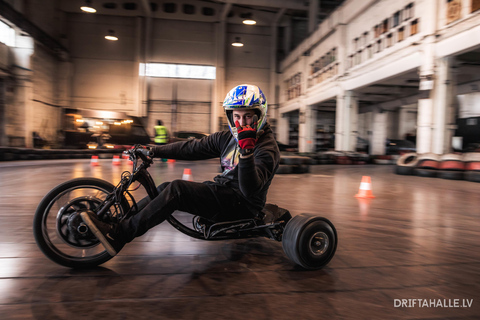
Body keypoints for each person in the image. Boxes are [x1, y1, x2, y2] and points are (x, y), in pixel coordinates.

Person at [80, 84, 280, 256]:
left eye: (247, 117)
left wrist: (246, 152)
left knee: (178, 190)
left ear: (259, 116)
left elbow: (249, 190)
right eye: (237, 117)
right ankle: (115, 225)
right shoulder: (226, 137)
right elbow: (191, 148)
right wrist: (153, 151)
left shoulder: (267, 147)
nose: (241, 123)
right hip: (223, 191)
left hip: (242, 205)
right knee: (165, 187)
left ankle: (120, 235)